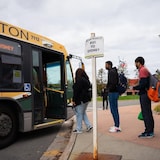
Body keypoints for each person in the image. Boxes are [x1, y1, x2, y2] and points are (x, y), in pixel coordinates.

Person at [133, 57, 154, 138]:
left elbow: (143, 84)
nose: (135, 64)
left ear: (139, 63)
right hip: (147, 93)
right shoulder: (145, 69)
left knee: (146, 113)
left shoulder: (142, 70)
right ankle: (150, 130)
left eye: (135, 63)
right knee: (148, 112)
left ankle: (148, 131)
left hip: (144, 94)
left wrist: (134, 88)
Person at [72, 68, 92, 133]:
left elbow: (76, 92)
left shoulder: (79, 81)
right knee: (83, 113)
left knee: (79, 114)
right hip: (86, 99)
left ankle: (79, 129)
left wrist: (74, 100)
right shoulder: (87, 80)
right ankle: (89, 125)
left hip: (80, 100)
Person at [105, 61, 121, 132]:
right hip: (115, 92)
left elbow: (112, 83)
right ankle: (116, 125)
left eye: (106, 65)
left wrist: (108, 89)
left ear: (108, 65)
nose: (105, 66)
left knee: (114, 109)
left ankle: (117, 126)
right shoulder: (114, 71)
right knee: (114, 109)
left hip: (113, 92)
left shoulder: (111, 72)